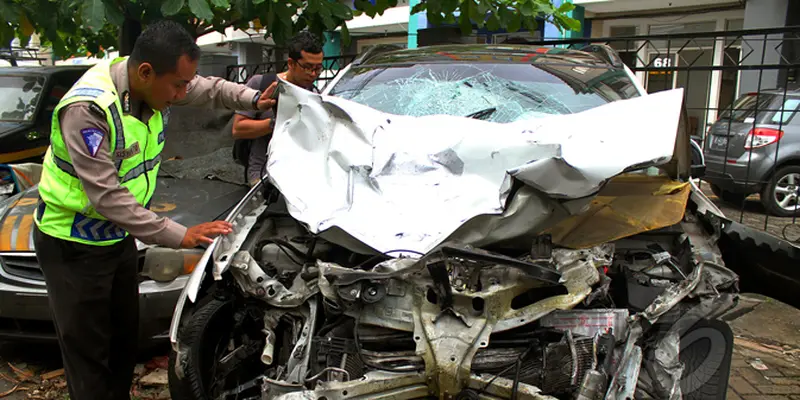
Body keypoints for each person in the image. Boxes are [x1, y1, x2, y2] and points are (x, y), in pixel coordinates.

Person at [31, 20, 277, 400]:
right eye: (178, 85)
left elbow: (205, 88)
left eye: (185, 84)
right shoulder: (88, 111)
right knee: (90, 358)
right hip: (72, 245)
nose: (183, 93)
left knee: (122, 347)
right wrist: (182, 235)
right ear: (146, 72)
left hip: (116, 241)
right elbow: (107, 196)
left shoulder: (151, 81)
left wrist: (252, 99)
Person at [232, 31, 324, 187]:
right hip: (262, 177)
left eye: (318, 68)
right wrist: (277, 122)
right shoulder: (261, 84)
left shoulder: (315, 94)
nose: (313, 74)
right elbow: (238, 128)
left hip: (300, 178)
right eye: (308, 67)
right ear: (291, 63)